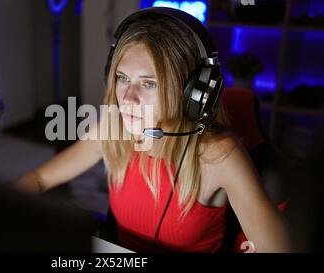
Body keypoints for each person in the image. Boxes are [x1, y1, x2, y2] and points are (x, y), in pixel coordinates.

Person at [15, 8, 291, 253]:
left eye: (149, 84)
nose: (128, 98)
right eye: (123, 79)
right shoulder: (114, 129)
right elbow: (39, 178)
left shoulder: (218, 154)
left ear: (191, 94)